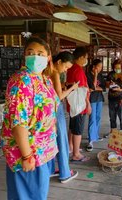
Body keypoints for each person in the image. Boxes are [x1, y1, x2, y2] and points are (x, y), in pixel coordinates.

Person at [0, 37, 59, 200]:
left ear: (48, 58)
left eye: (40, 53)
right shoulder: (22, 80)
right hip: (28, 151)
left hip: (44, 150)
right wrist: (26, 155)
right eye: (30, 53)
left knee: (37, 195)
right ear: (24, 56)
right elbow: (18, 121)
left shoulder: (44, 79)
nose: (35, 57)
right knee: (27, 197)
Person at [44, 51, 79, 183]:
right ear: (59, 62)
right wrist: (73, 87)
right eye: (65, 67)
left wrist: (64, 86)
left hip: (46, 111)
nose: (65, 70)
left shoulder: (43, 72)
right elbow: (58, 97)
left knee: (50, 139)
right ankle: (65, 173)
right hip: (55, 109)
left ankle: (50, 170)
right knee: (62, 140)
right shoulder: (55, 74)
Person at [66, 46, 91, 162]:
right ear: (81, 57)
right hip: (79, 104)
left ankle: (70, 147)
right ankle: (76, 154)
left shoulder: (70, 68)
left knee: (72, 126)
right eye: (85, 58)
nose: (86, 61)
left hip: (71, 103)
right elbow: (82, 90)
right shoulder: (79, 70)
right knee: (78, 130)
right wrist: (88, 104)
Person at [104, 59, 122, 138]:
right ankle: (113, 133)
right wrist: (110, 84)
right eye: (115, 68)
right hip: (111, 99)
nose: (117, 69)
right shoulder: (111, 74)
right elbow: (106, 85)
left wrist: (120, 89)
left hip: (121, 100)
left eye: (119, 68)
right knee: (112, 117)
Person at [86, 59, 106, 151]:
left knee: (98, 118)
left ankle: (96, 136)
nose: (100, 69)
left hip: (99, 99)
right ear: (94, 67)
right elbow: (91, 88)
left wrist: (95, 88)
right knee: (92, 119)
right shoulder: (88, 75)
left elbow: (103, 88)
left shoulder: (101, 76)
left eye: (101, 67)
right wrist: (95, 76)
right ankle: (90, 140)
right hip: (92, 99)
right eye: (99, 66)